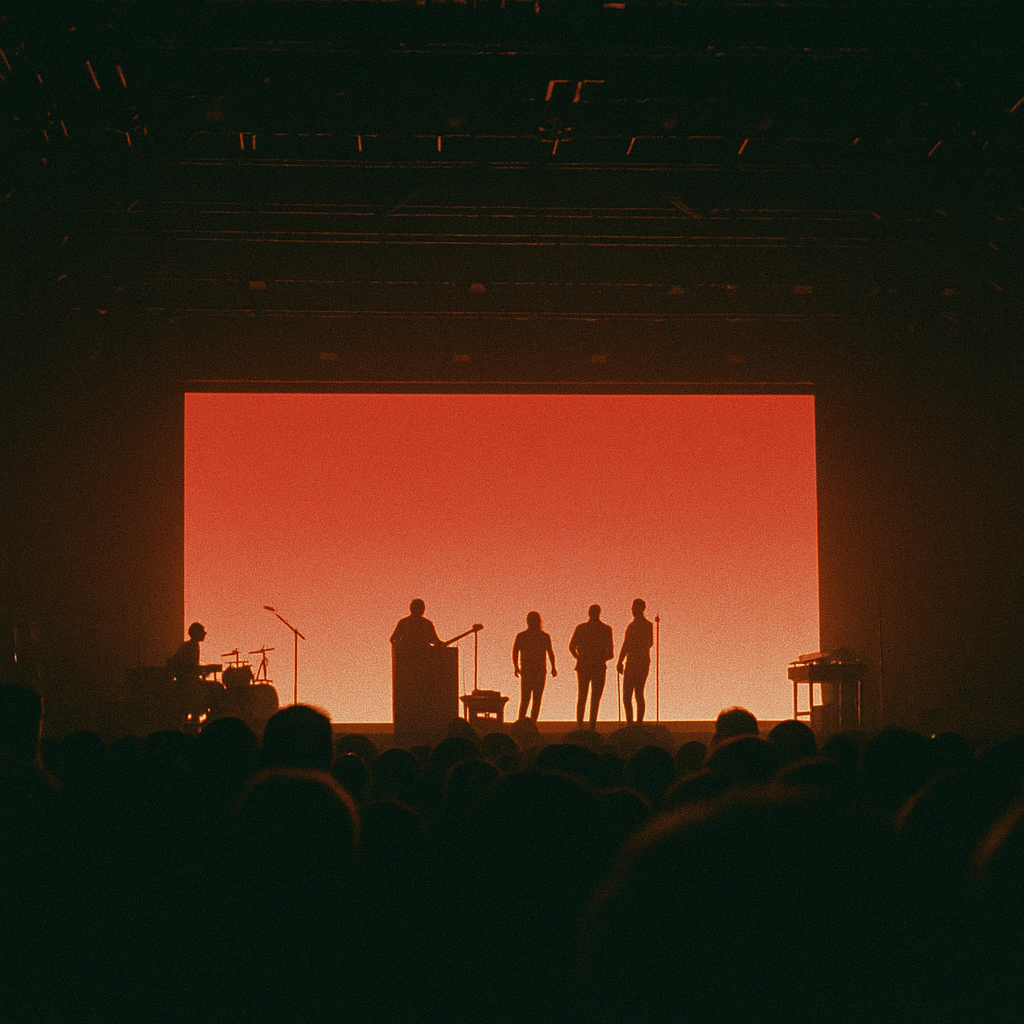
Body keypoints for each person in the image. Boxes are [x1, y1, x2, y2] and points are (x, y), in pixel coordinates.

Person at [569, 604, 613, 729]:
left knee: (582, 695)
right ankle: (591, 725)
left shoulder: (581, 628)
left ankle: (580, 724)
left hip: (584, 665)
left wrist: (580, 657)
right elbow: (610, 653)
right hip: (598, 666)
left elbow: (571, 647)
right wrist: (600, 658)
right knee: (594, 697)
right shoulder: (606, 629)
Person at [512, 612, 557, 722]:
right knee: (530, 699)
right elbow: (515, 651)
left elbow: (550, 652)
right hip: (531, 671)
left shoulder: (540, 636)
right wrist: (516, 666)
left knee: (530, 699)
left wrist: (553, 667)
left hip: (536, 671)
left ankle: (527, 722)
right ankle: (525, 722)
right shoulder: (535, 636)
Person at [616, 598, 654, 725]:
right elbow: (625, 644)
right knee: (627, 695)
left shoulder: (647, 625)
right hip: (632, 661)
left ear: (641, 608)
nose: (632, 610)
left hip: (640, 661)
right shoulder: (631, 626)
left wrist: (635, 646)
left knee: (638, 692)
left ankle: (638, 723)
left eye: (634, 607)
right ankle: (630, 723)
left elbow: (649, 643)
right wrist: (620, 660)